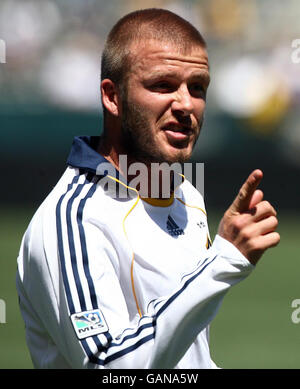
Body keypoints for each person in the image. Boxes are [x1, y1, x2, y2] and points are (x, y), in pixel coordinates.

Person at [16, 8, 280, 369]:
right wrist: (223, 261)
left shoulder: (187, 195)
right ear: (112, 97)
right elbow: (110, 368)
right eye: (163, 85)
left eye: (197, 87)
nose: (186, 104)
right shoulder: (72, 221)